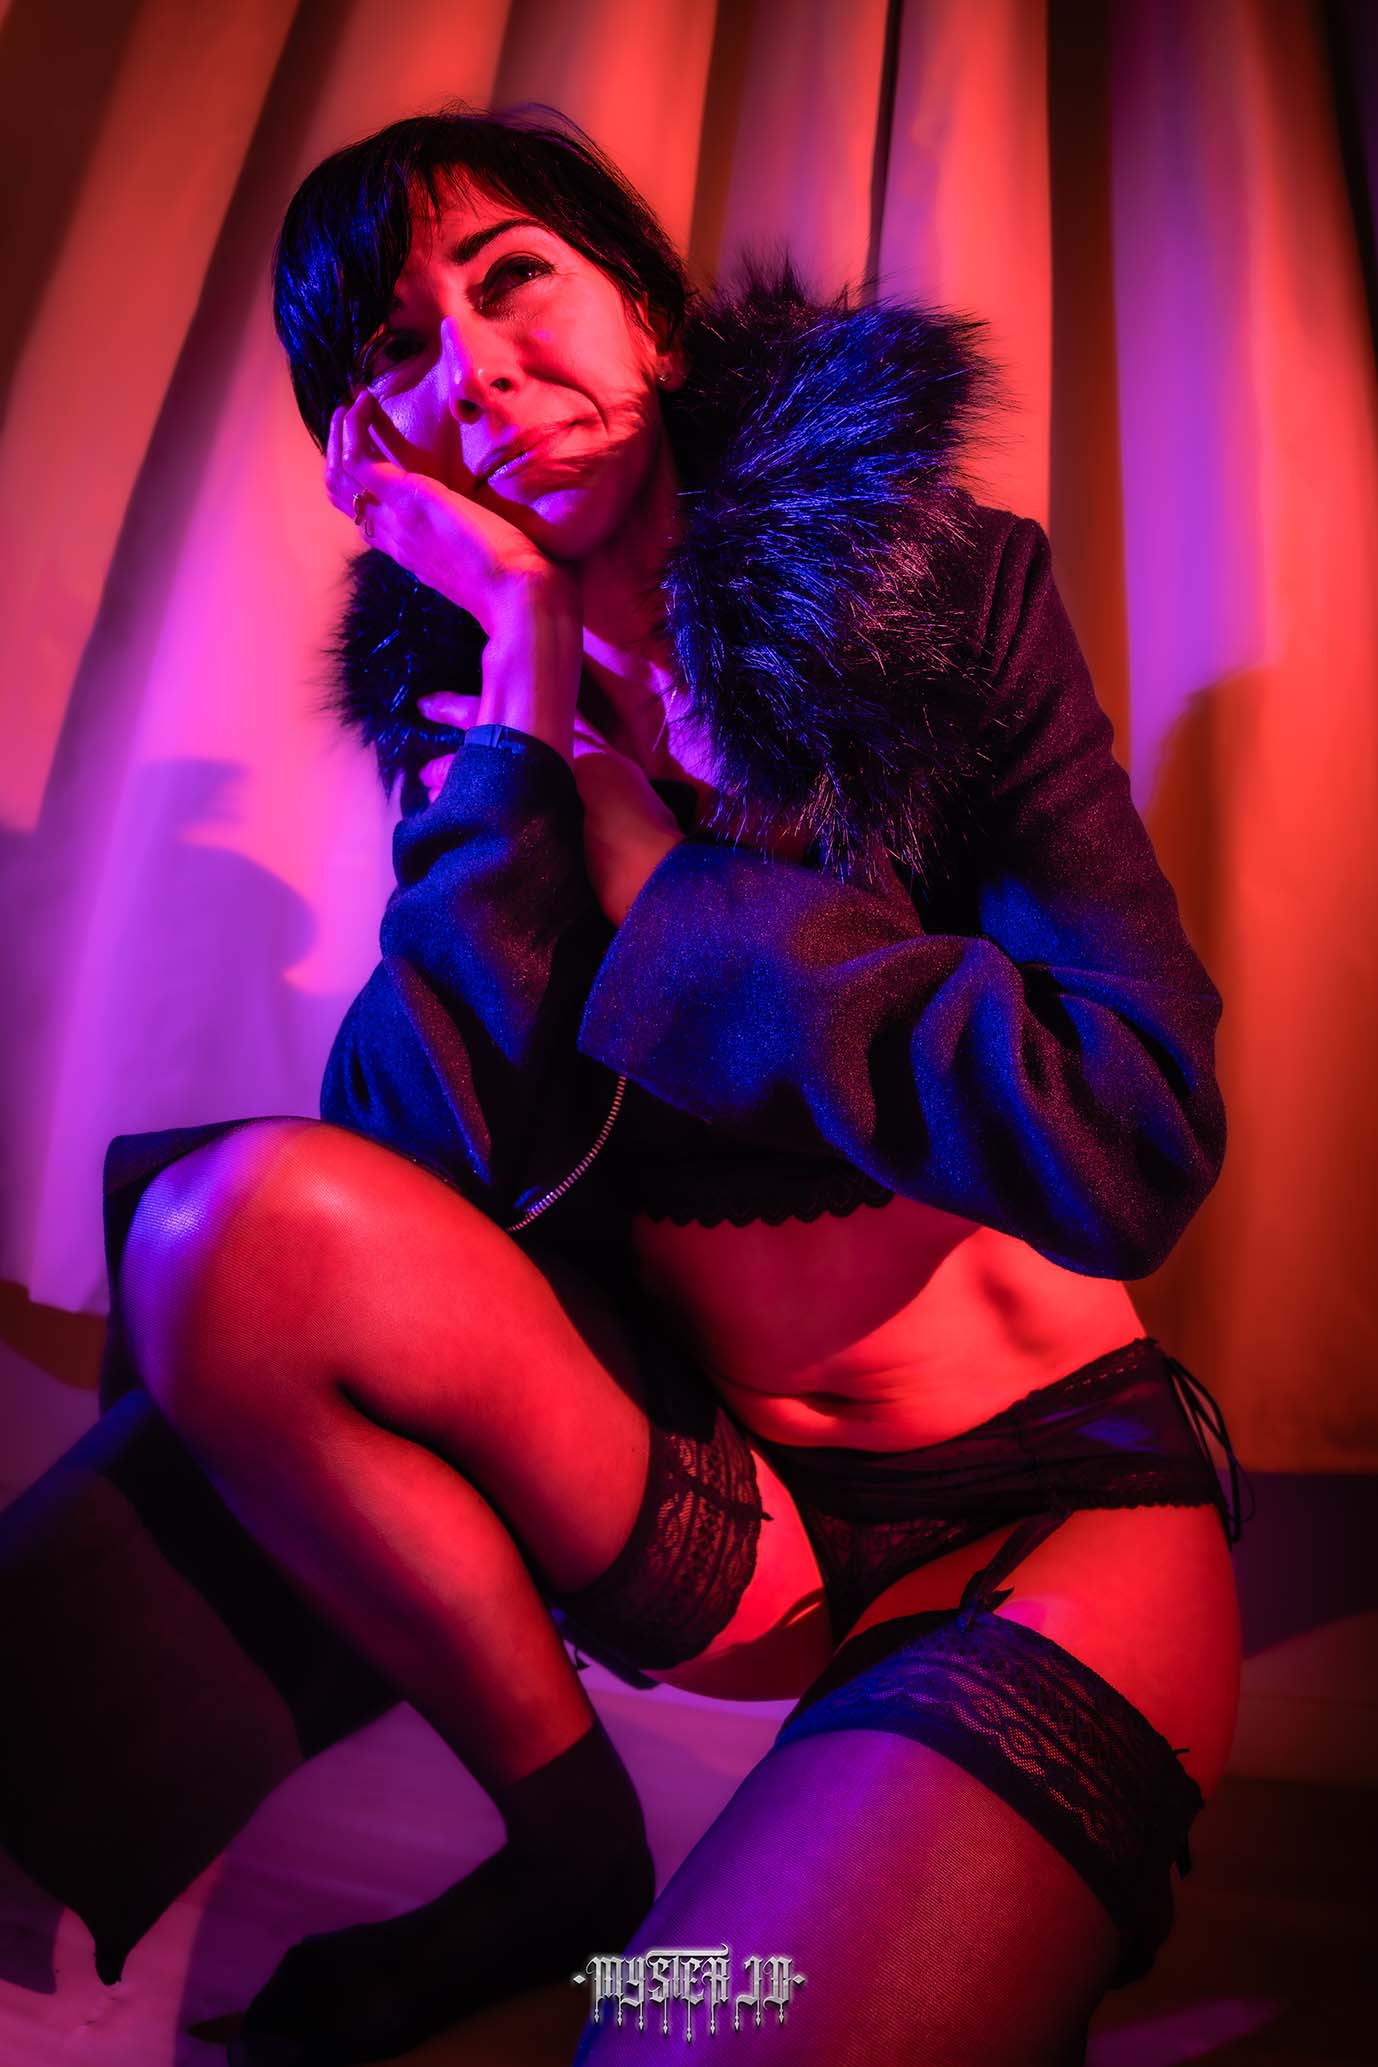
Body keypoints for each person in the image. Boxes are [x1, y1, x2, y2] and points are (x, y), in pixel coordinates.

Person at [0, 102, 1253, 2067]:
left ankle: (657, 1946)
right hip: (721, 1514)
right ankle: (565, 1850)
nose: (476, 367)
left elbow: (1130, 1133)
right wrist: (515, 692)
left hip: (1039, 1512)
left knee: (695, 2022)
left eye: (512, 279)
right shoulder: (471, 738)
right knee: (219, 1231)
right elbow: (407, 1181)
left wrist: (666, 886)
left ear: (650, 320)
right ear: (373, 461)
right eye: (396, 355)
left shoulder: (944, 603)